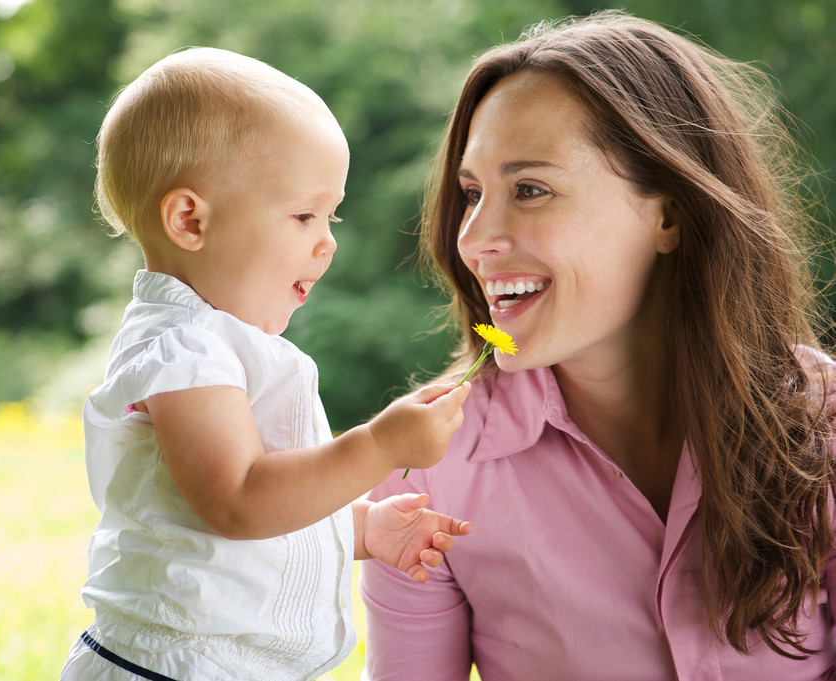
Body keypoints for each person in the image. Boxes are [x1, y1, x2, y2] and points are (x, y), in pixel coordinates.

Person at [361, 10, 836, 680]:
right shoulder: (428, 470)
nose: (472, 237)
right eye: (470, 194)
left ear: (667, 214)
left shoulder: (826, 425)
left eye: (529, 189)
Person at [57, 47, 472, 681]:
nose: (327, 239)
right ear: (190, 220)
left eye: (330, 216)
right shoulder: (186, 349)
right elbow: (240, 502)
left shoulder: (216, 343)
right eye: (304, 214)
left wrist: (361, 529)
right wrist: (381, 445)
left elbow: (252, 516)